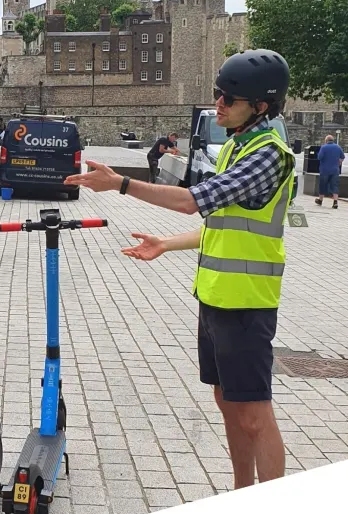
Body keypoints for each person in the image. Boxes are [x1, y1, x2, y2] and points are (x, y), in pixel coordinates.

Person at [64, 49, 295, 490]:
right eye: (217, 94)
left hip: (247, 305)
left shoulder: (269, 155)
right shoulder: (235, 146)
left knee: (253, 413)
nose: (219, 104)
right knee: (227, 401)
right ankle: (241, 492)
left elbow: (191, 202)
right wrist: (167, 244)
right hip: (215, 299)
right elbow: (222, 226)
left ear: (260, 107)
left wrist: (121, 184)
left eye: (229, 98)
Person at [315, 134, 343, 209]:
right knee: (335, 186)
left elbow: (319, 157)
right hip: (335, 170)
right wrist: (339, 162)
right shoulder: (338, 147)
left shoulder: (323, 147)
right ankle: (335, 202)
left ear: (326, 140)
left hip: (325, 170)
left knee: (323, 185)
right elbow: (342, 157)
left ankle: (320, 200)